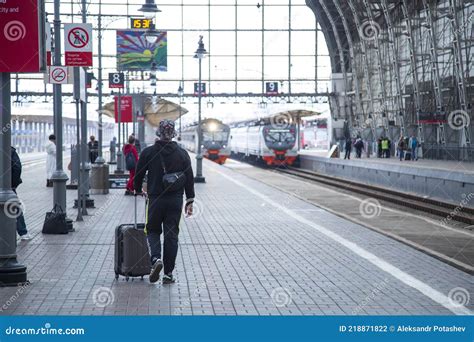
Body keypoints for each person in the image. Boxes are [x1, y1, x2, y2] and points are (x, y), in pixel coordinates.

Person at [134, 119, 195, 285]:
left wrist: (137, 189)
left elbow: (138, 173)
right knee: (171, 236)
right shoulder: (182, 153)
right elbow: (189, 178)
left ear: (159, 133)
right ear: (173, 134)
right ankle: (168, 274)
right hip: (175, 200)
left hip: (155, 199)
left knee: (152, 230)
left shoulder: (148, 152)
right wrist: (190, 200)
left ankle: (155, 259)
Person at [11, 147, 31, 240]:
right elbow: (17, 167)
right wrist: (13, 183)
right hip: (7, 186)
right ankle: (23, 232)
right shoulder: (9, 150)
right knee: (14, 208)